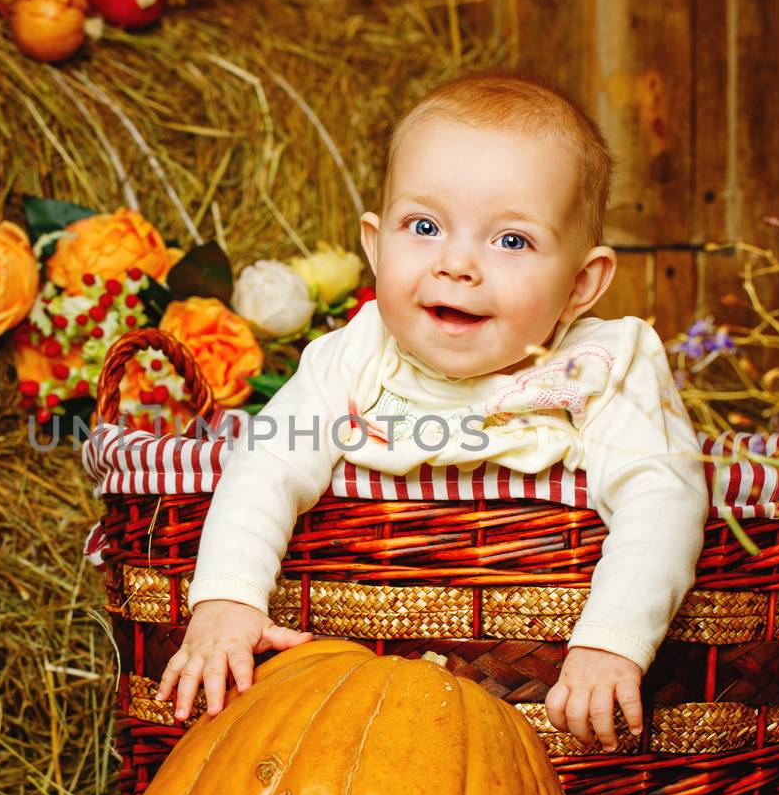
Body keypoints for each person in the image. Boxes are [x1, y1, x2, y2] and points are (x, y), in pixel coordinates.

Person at [154, 72, 710, 752]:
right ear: (373, 243)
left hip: (533, 697)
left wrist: (611, 641)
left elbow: (663, 494)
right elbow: (264, 467)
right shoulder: (351, 356)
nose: (455, 264)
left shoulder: (601, 366)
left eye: (510, 241)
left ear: (580, 284)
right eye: (423, 227)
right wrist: (227, 602)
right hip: (355, 719)